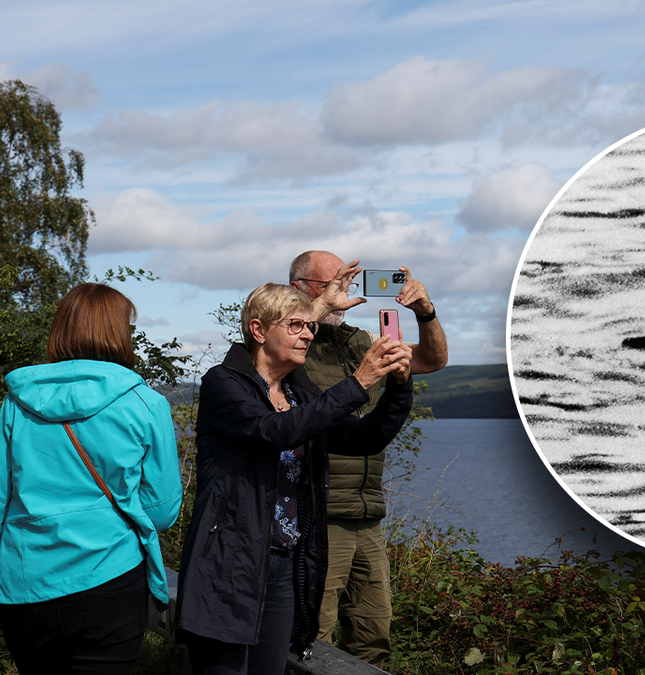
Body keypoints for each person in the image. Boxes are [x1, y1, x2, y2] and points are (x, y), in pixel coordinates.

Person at [177, 281, 414, 675]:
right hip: (229, 563)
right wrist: (357, 382)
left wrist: (399, 386)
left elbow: (364, 437)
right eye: (296, 325)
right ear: (258, 330)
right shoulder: (224, 385)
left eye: (310, 326)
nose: (308, 334)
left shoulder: (299, 396)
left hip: (285, 563)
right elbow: (275, 431)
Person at [0, 282, 183, 675]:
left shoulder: (18, 401)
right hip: (110, 580)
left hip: (24, 585)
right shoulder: (145, 403)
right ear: (120, 333)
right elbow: (162, 511)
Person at [289, 250, 448, 666]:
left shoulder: (360, 341)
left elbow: (433, 360)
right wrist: (316, 310)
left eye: (348, 281)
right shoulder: (291, 344)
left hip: (367, 514)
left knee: (373, 639)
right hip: (319, 517)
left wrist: (425, 313)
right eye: (330, 284)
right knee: (310, 640)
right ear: (299, 289)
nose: (342, 290)